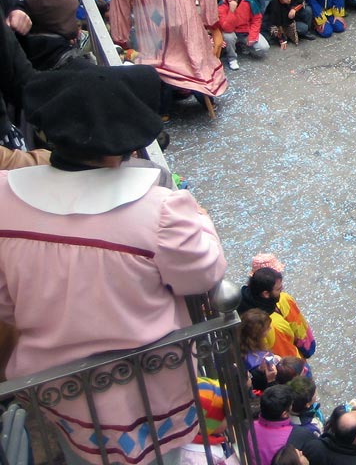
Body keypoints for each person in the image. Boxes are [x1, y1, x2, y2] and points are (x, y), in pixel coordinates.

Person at [0, 62, 227, 465]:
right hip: (151, 385)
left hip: (60, 391)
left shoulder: (5, 202)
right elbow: (203, 273)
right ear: (121, 144)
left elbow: (5, 304)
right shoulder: (161, 211)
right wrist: (201, 219)